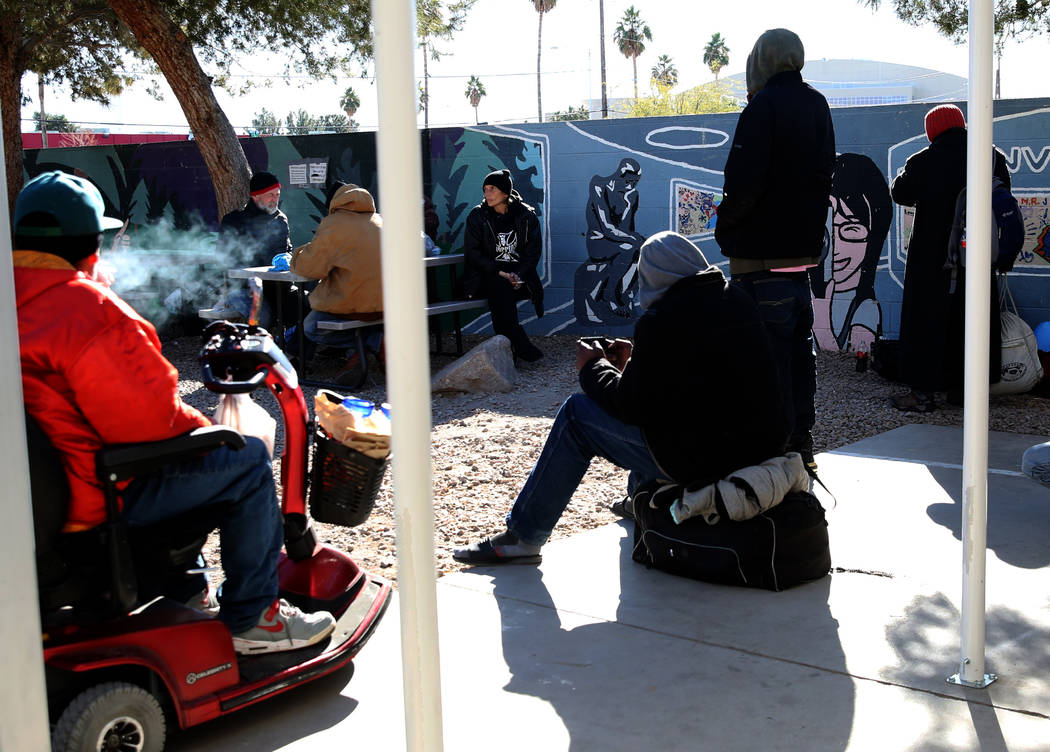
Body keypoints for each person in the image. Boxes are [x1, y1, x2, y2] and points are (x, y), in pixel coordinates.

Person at [14, 171, 334, 654]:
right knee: (242, 458)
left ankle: (185, 590)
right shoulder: (87, 311)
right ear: (89, 244)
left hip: (31, 502)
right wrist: (211, 433)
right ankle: (254, 619)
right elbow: (153, 421)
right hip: (95, 498)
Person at [453, 231, 788, 564]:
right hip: (757, 450)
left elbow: (632, 407)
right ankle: (642, 498)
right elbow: (681, 389)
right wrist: (629, 366)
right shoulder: (736, 301)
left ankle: (523, 536)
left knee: (576, 415)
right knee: (669, 420)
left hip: (710, 460)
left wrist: (592, 368)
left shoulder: (663, 319)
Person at [714, 28, 835, 469]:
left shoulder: (763, 106)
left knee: (765, 359)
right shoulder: (817, 104)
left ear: (761, 60)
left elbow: (743, 182)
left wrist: (725, 228)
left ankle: (771, 451)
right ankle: (799, 443)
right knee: (800, 355)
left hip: (759, 257)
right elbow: (824, 175)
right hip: (800, 257)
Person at [889, 104, 1011, 412]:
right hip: (977, 255)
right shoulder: (991, 156)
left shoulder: (925, 160)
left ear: (933, 131)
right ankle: (965, 391)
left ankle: (923, 394)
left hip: (934, 257)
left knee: (927, 320)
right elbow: (1004, 193)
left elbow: (900, 193)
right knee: (971, 318)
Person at [290, 183, 384, 377]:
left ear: (335, 203)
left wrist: (299, 252)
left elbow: (308, 268)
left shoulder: (334, 224)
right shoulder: (380, 222)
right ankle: (373, 342)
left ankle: (370, 342)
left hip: (353, 306)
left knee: (311, 327)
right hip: (387, 306)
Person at [463, 169, 545, 362]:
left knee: (503, 292)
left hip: (519, 277)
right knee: (499, 286)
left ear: (505, 192)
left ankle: (510, 348)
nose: (487, 194)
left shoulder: (526, 216)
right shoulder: (477, 216)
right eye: (485, 189)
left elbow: (533, 253)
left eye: (492, 188)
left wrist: (517, 275)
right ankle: (519, 344)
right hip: (486, 276)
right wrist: (502, 273)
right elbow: (473, 254)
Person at [218, 171, 295, 329]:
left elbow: (287, 252)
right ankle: (258, 352)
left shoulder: (280, 220)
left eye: (277, 194)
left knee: (302, 307)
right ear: (256, 196)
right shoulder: (234, 221)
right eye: (270, 195)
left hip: (278, 288)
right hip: (242, 288)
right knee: (263, 318)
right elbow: (224, 258)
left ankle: (290, 352)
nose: (275, 199)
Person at [579, 158, 647, 320]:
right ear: (620, 175)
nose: (631, 186)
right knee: (630, 248)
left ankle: (626, 294)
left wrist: (628, 203)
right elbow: (606, 227)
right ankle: (610, 295)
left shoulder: (630, 195)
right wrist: (634, 239)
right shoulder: (598, 186)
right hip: (598, 241)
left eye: (635, 183)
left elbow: (627, 228)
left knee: (646, 248)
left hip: (618, 240)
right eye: (629, 181)